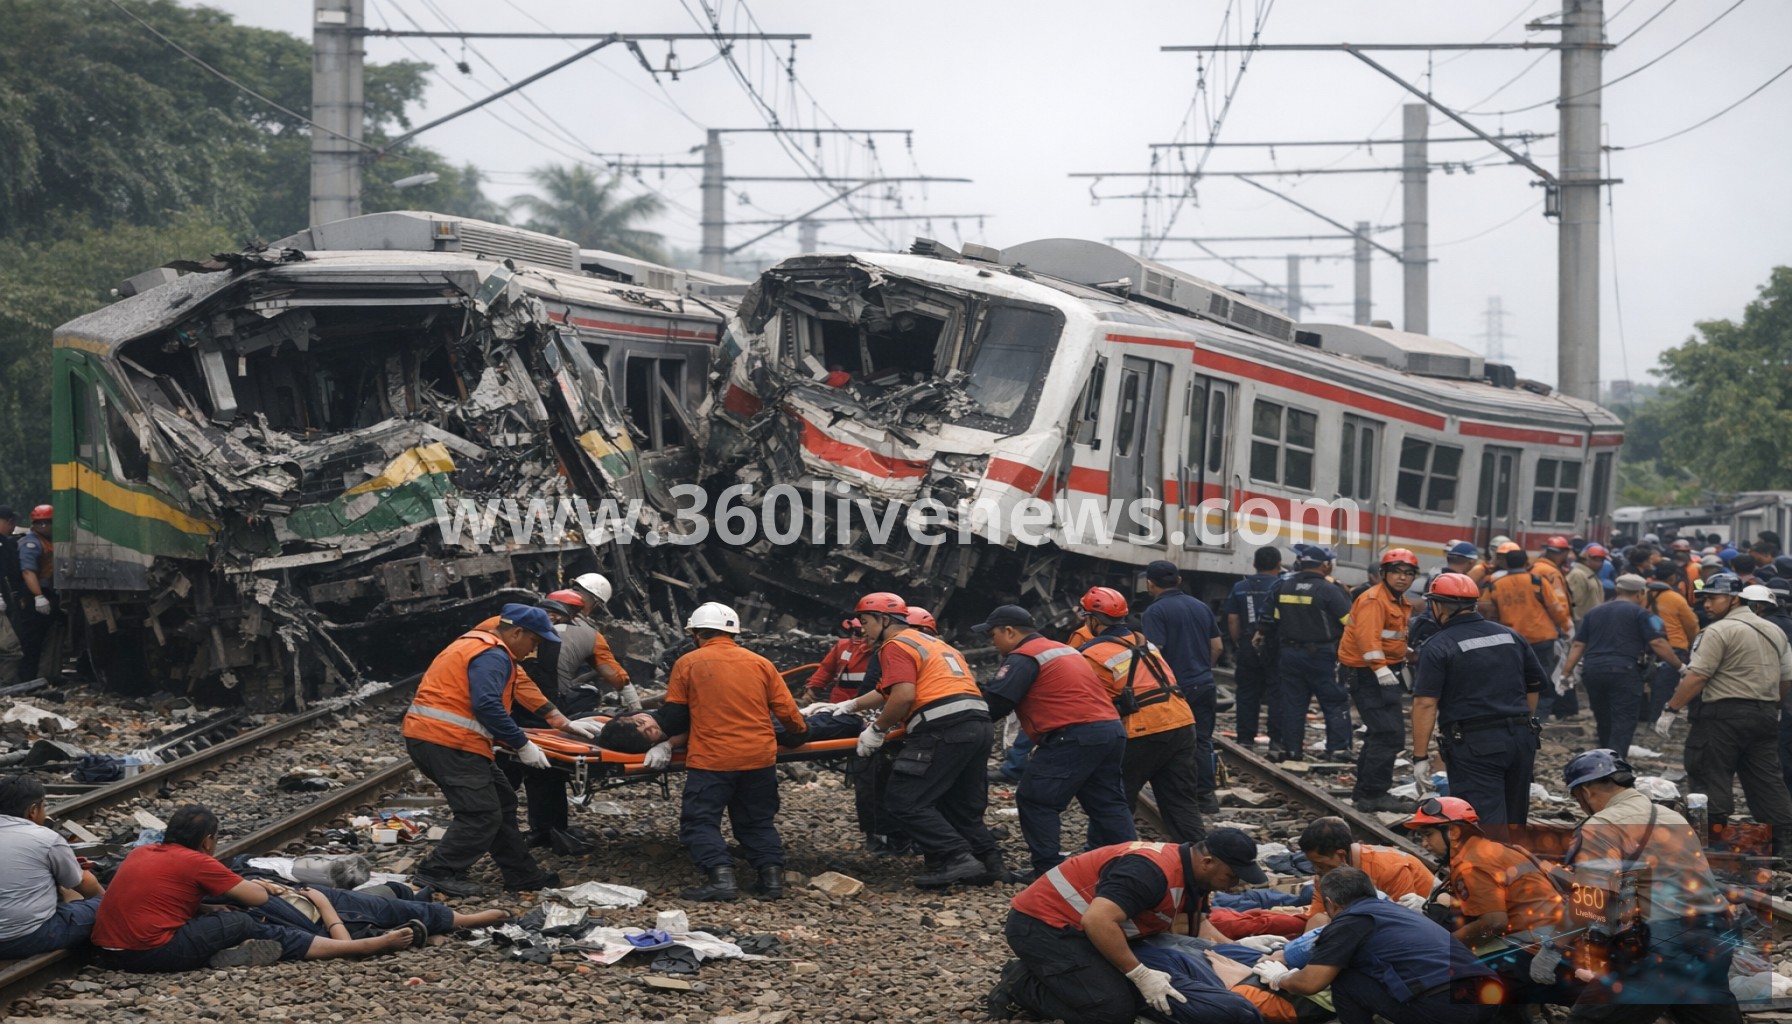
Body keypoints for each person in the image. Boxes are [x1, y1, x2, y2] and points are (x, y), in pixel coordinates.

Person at [1530, 750, 1741, 1022]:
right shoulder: (1671, 816)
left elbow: (1590, 903)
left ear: (1585, 791)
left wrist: (1552, 948)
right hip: (1714, 935)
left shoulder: (1602, 824)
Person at [403, 604, 597, 896]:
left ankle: (521, 874)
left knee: (502, 803)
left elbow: (521, 685)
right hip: (446, 740)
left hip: (448, 739)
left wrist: (559, 720)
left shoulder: (485, 647)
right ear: (517, 632)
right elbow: (487, 704)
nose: (534, 651)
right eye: (534, 641)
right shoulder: (492, 654)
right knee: (480, 813)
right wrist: (522, 744)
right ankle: (437, 872)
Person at [811, 592, 1000, 888]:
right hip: (977, 724)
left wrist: (876, 729)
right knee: (960, 802)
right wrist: (849, 706)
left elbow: (903, 697)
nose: (862, 628)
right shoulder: (934, 643)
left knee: (905, 800)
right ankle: (991, 863)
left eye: (866, 621)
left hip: (942, 727)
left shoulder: (894, 645)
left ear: (884, 620)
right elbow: (892, 690)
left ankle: (957, 858)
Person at [91, 804, 421, 971]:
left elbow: (164, 900)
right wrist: (259, 885)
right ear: (208, 841)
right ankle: (355, 948)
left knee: (225, 913)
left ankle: (232, 949)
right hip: (148, 955)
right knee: (247, 920)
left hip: (106, 952)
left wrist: (206, 907)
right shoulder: (197, 861)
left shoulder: (141, 852)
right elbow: (258, 897)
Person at [988, 829, 1268, 1024]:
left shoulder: (1194, 876)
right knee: (1111, 1012)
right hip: (1045, 927)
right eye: (1232, 876)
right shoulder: (1149, 871)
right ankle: (1022, 984)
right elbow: (1097, 920)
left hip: (1084, 928)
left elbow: (1194, 924)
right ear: (1208, 862)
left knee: (1125, 988)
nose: (1235, 884)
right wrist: (1140, 974)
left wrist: (1236, 948)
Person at [644, 601, 808, 902]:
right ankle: (771, 880)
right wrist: (798, 736)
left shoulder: (688, 663)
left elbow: (675, 716)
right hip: (759, 758)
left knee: (700, 820)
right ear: (733, 633)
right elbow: (788, 712)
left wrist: (663, 741)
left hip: (713, 760)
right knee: (757, 820)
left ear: (696, 633)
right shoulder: (761, 663)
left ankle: (721, 878)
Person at [971, 603, 1134, 878]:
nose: (992, 640)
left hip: (1074, 734)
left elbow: (996, 704)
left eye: (993, 634)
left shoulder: (1024, 655)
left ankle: (1047, 871)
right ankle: (1133, 864)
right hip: (1109, 730)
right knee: (1107, 803)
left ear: (1009, 631)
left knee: (1036, 799)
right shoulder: (1062, 649)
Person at [1250, 866, 1499, 1024]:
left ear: (1330, 904)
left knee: (1345, 978)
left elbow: (1310, 983)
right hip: (1489, 995)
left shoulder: (1350, 920)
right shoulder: (1398, 913)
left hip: (1445, 1009)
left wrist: (1280, 978)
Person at [1654, 574, 1792, 857]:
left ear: (1734, 599)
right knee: (1766, 780)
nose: (1707, 603)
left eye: (1713, 598)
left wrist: (1671, 709)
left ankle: (1705, 846)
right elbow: (1786, 678)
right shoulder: (1773, 631)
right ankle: (1782, 847)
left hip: (1721, 717)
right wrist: (1772, 706)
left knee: (1707, 775)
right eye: (1705, 598)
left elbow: (1697, 676)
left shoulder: (1717, 631)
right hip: (1764, 716)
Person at [1411, 572, 1544, 839]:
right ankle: (1517, 873)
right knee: (1515, 820)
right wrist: (1521, 722)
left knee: (1484, 826)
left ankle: (1491, 877)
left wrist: (1420, 757)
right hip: (1521, 739)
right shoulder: (1510, 636)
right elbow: (1534, 686)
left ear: (1437, 606)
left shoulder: (1439, 645)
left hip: (1476, 746)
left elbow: (1425, 703)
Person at [1078, 588, 1206, 843]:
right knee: (1180, 802)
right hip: (1181, 721)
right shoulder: (1143, 641)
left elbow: (1089, 704)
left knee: (1114, 799)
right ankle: (1203, 860)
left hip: (1144, 729)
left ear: (1094, 620)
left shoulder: (1092, 654)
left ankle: (1105, 856)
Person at [1402, 796, 1564, 995]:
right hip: (1550, 940)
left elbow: (1493, 923)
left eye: (1428, 834)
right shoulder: (1488, 849)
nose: (1425, 844)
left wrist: (1444, 948)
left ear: (1452, 832)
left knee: (1444, 975)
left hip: (1534, 951)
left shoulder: (1472, 863)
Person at [1558, 574, 1682, 758]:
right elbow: (1658, 643)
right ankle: (1615, 765)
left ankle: (1602, 761)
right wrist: (1680, 666)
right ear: (1641, 593)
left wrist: (1566, 673)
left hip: (1593, 672)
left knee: (1603, 718)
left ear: (1617, 590)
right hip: (1625, 672)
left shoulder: (1593, 613)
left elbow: (1578, 645)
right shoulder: (1642, 614)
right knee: (1623, 720)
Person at [1338, 548, 1418, 812]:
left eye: (1408, 573)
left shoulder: (1397, 601)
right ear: (1383, 574)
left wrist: (1405, 653)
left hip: (1381, 672)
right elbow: (1367, 638)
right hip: (1370, 674)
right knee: (1388, 734)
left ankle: (1363, 793)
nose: (1402, 578)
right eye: (1396, 572)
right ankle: (1373, 794)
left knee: (1379, 733)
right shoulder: (1375, 599)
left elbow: (1389, 636)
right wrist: (1380, 668)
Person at [1142, 560, 1225, 810]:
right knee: (1202, 741)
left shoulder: (1155, 612)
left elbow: (1156, 654)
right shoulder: (1201, 607)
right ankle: (1206, 796)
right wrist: (1202, 670)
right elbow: (1217, 647)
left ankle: (1176, 796)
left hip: (1174, 689)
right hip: (1204, 684)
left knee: (1166, 742)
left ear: (1149, 583)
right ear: (1178, 580)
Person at [1259, 544, 1354, 762]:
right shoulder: (1330, 590)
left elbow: (1273, 620)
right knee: (1334, 701)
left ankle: (1292, 751)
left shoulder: (1282, 586)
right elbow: (1350, 624)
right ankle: (1338, 749)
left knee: (1293, 704)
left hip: (1290, 654)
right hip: (1323, 655)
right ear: (1325, 565)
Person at [0, 776, 104, 958]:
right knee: (103, 906)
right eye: (43, 806)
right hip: (22, 938)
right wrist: (106, 902)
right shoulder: (45, 838)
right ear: (33, 810)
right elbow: (84, 884)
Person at [1482, 541, 1572, 718]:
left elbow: (1486, 609)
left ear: (1506, 563)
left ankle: (1516, 711)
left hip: (1512, 638)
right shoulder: (1537, 581)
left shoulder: (1496, 584)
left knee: (1514, 675)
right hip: (1541, 636)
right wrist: (1566, 627)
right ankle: (1540, 715)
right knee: (1543, 676)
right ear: (1526, 563)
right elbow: (1555, 608)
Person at [1296, 816, 1432, 932]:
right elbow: (1317, 918)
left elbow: (1401, 923)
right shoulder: (1325, 873)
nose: (1317, 871)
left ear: (1341, 855)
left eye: (1321, 865)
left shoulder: (1389, 869)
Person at [1225, 546, 1284, 750]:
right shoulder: (1282, 585)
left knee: (1247, 693)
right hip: (1276, 645)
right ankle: (1276, 740)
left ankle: (1245, 738)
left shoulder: (1240, 587)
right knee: (1277, 693)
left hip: (1248, 645)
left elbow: (1233, 620)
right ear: (1279, 564)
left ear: (1254, 564)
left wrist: (1239, 643)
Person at [1644, 563, 1702, 720]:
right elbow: (1691, 625)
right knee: (1664, 688)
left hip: (1646, 648)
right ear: (1672, 578)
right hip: (1674, 648)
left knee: (1643, 685)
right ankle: (1657, 719)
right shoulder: (1677, 599)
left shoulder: (1642, 595)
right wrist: (1693, 645)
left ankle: (1644, 716)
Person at [14, 505, 57, 684]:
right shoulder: (31, 543)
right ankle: (26, 678)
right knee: (31, 639)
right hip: (35, 595)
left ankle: (40, 675)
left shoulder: (47, 541)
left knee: (42, 638)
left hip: (46, 593)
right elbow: (28, 572)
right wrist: (38, 596)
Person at [807, 618, 870, 704]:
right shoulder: (842, 645)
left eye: (861, 634)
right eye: (856, 632)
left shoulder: (881, 652)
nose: (857, 637)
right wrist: (814, 687)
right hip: (838, 700)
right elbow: (826, 669)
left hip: (864, 703)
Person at [0, 507, 23, 685]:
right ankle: (7, 686)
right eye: (10, 522)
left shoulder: (6, 543)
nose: (13, 527)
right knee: (10, 648)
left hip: (6, 600)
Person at [1568, 545, 1608, 625]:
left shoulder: (1590, 574)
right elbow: (1574, 602)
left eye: (1601, 561)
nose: (1600, 564)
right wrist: (1576, 619)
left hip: (1592, 620)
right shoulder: (1578, 574)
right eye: (1596, 560)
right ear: (1586, 559)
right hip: (1581, 621)